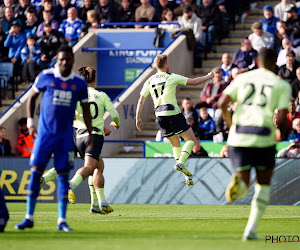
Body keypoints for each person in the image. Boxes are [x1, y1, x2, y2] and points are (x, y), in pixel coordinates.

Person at [15, 45, 93, 232]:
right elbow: (31, 98)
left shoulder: (79, 83)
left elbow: (86, 110)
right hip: (44, 135)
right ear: (57, 60)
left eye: (68, 59)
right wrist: (30, 122)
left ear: (73, 60)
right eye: (61, 59)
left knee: (64, 176)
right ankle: (28, 217)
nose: (64, 62)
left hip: (65, 137)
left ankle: (61, 220)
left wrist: (90, 133)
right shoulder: (46, 76)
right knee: (35, 173)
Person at [218, 47, 290, 241]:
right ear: (275, 63)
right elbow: (283, 118)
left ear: (257, 62)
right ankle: (250, 230)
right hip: (263, 136)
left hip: (239, 136)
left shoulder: (242, 78)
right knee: (263, 185)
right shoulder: (281, 84)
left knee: (244, 182)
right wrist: (280, 133)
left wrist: (231, 124)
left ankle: (240, 184)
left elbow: (221, 103)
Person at [40, 66, 120, 214]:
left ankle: (97, 204)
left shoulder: (76, 95)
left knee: (98, 166)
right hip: (92, 136)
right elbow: (114, 114)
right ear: (95, 80)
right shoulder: (100, 95)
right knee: (91, 167)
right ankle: (72, 185)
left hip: (75, 134)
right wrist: (116, 123)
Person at [136, 54, 214, 186]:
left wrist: (137, 117)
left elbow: (140, 101)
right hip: (172, 112)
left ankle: (186, 176)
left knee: (175, 144)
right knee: (191, 140)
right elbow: (194, 82)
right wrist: (209, 76)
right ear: (165, 64)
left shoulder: (149, 81)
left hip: (159, 116)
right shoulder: (171, 77)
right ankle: (180, 162)